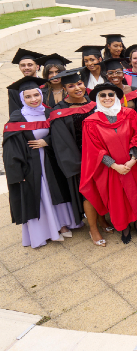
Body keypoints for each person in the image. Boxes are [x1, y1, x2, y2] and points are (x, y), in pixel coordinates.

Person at [4, 77, 81, 248]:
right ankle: (47, 231)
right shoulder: (17, 118)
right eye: (28, 97)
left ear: (40, 94)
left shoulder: (48, 112)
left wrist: (47, 141)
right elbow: (11, 149)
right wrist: (16, 173)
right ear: (22, 99)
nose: (34, 100)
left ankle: (62, 224)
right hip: (31, 165)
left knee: (57, 192)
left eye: (36, 95)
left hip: (51, 161)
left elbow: (61, 134)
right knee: (41, 196)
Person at [80, 82, 137, 245]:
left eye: (110, 94)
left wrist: (133, 160)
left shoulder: (129, 114)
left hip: (130, 164)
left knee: (136, 194)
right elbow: (94, 148)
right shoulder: (91, 122)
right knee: (118, 198)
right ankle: (124, 226)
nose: (107, 98)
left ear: (117, 97)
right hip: (111, 169)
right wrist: (114, 165)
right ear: (98, 99)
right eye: (103, 95)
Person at [48, 70, 103, 235]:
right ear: (64, 89)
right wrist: (79, 163)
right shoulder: (58, 111)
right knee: (88, 194)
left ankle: (102, 219)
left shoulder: (92, 102)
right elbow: (61, 141)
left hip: (100, 154)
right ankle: (93, 229)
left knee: (101, 190)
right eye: (71, 86)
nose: (77, 88)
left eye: (79, 83)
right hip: (79, 158)